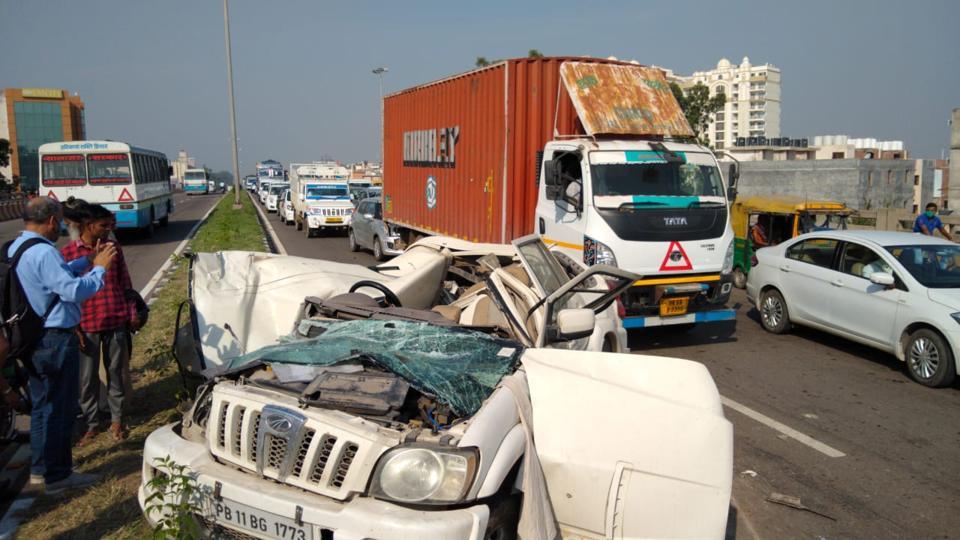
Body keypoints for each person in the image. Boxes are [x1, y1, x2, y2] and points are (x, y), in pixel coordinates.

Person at [8, 197, 116, 493]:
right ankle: (59, 476)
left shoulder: (17, 247)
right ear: (53, 221)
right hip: (53, 338)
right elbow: (72, 291)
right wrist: (100, 270)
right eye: (62, 222)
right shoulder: (44, 252)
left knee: (42, 408)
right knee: (60, 408)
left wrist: (84, 262)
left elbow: (50, 281)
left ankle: (41, 469)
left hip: (29, 337)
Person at [61, 205, 137, 445]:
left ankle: (116, 420)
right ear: (88, 226)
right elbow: (64, 294)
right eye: (103, 225)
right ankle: (92, 424)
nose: (108, 230)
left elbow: (125, 283)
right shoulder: (68, 254)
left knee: (115, 373)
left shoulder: (114, 249)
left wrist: (131, 311)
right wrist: (74, 327)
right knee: (87, 379)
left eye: (110, 225)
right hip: (86, 323)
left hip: (115, 319)